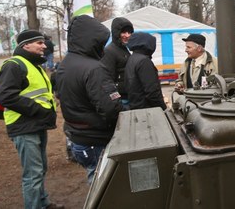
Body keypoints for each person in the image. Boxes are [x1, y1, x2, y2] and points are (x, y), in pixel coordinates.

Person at [0, 30, 63, 209]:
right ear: (25, 45)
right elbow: (6, 96)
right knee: (32, 174)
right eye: (39, 43)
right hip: (24, 126)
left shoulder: (33, 65)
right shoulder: (14, 65)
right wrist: (39, 110)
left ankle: (43, 202)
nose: (44, 46)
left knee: (40, 169)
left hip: (35, 124)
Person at [55, 15, 124, 184]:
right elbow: (110, 108)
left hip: (77, 136)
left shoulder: (65, 64)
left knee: (94, 178)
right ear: (93, 41)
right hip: (95, 138)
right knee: (104, 185)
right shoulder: (94, 69)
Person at [124, 32, 167, 110]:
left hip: (135, 105)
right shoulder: (144, 61)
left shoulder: (132, 58)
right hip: (147, 108)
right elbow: (152, 91)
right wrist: (162, 107)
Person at [101, 17, 134, 106]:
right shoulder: (109, 51)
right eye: (123, 32)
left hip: (128, 96)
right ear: (116, 33)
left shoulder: (124, 48)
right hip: (121, 100)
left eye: (129, 32)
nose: (127, 35)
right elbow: (107, 80)